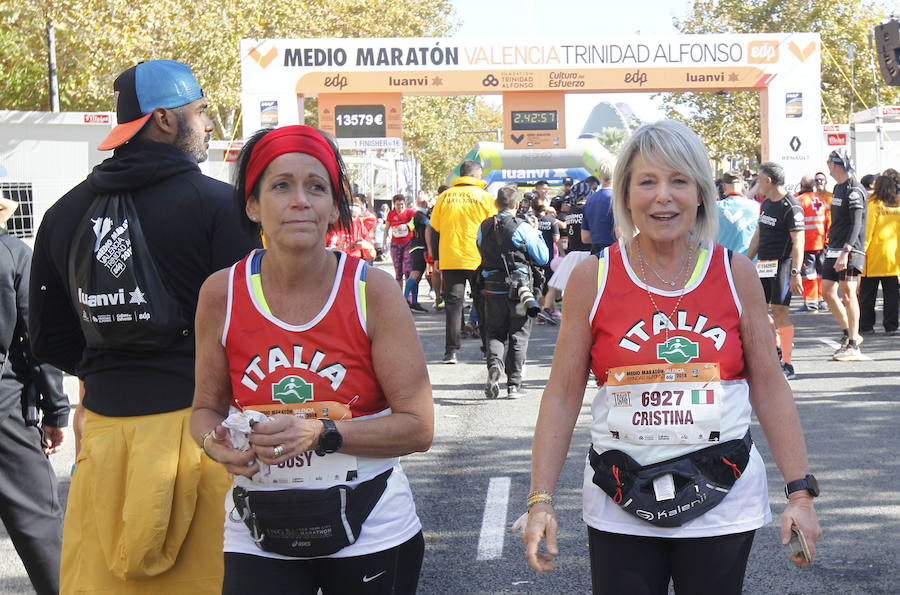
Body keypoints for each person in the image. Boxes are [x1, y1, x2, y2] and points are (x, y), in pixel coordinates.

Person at [520, 120, 821, 594]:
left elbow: (768, 385)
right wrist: (541, 500)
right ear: (625, 194)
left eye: (679, 180)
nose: (663, 196)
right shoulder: (591, 278)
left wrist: (800, 493)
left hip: (723, 494)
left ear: (701, 193)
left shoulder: (734, 272)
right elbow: (561, 394)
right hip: (619, 498)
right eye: (647, 181)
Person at [29, 59, 258, 593]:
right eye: (200, 113)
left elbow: (49, 339)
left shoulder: (63, 214)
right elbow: (255, 327)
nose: (206, 126)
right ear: (162, 120)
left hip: (105, 440)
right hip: (205, 436)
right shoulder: (221, 207)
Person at [190, 125, 433, 593]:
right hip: (257, 529)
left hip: (370, 525)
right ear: (252, 204)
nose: (300, 200)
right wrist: (211, 443)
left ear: (334, 206)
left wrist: (322, 433)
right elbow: (205, 407)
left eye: (316, 187)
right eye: (281, 185)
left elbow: (418, 427)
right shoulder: (222, 293)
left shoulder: (372, 291)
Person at [0, 208, 69, 595]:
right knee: (38, 528)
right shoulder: (12, 254)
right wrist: (57, 410)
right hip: (6, 412)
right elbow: (37, 340)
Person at [476, 185, 549, 399]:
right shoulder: (523, 227)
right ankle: (513, 385)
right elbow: (543, 257)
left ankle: (494, 366)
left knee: (494, 332)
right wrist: (535, 231)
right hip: (520, 291)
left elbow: (479, 248)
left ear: (495, 205)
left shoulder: (484, 227)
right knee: (519, 334)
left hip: (491, 288)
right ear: (516, 205)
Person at [429, 160, 496, 364]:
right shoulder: (484, 197)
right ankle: (487, 349)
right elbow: (493, 228)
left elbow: (434, 229)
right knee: (483, 304)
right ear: (476, 176)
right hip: (478, 259)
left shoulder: (445, 196)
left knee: (453, 306)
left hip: (451, 258)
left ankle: (451, 352)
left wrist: (436, 259)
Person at [747, 162, 804, 379]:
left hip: (783, 264)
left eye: (759, 179)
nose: (757, 183)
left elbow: (799, 242)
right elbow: (758, 235)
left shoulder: (791, 206)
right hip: (764, 264)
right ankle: (776, 350)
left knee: (780, 311)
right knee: (759, 311)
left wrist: (795, 272)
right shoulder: (766, 204)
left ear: (768, 180)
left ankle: (787, 362)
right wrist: (745, 261)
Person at [822, 150, 867, 361]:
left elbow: (857, 223)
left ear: (833, 165)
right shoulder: (837, 187)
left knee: (848, 294)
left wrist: (846, 251)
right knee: (827, 292)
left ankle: (853, 345)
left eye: (829, 164)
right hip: (834, 247)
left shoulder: (854, 189)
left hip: (850, 249)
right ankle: (850, 332)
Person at [859, 174, 900, 335]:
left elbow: (867, 233)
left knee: (868, 294)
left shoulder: (873, 206)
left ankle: (867, 325)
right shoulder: (897, 206)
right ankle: (891, 325)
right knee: (891, 295)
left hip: (874, 257)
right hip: (893, 259)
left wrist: (860, 252)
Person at [795, 175, 829, 312]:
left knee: (808, 274)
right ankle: (821, 299)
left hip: (806, 243)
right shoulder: (821, 200)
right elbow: (828, 221)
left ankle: (810, 302)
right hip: (821, 242)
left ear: (801, 185)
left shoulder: (800, 201)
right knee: (820, 273)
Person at [715, 170, 759, 255]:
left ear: (724, 187)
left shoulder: (715, 208)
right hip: (748, 262)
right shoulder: (756, 207)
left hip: (723, 261)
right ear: (742, 186)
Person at [582, 162, 617, 255]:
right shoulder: (619, 198)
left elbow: (585, 238)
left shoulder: (589, 200)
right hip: (616, 253)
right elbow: (622, 234)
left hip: (596, 254)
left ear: (599, 176)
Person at [406, 193, 430, 313]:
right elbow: (430, 224)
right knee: (416, 273)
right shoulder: (419, 214)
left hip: (420, 246)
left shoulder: (422, 213)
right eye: (425, 201)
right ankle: (404, 299)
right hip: (418, 247)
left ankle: (414, 302)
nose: (427, 203)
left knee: (418, 276)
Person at [384, 194, 415, 287]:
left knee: (408, 270)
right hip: (395, 244)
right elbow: (386, 228)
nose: (400, 207)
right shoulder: (391, 214)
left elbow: (414, 222)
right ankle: (400, 295)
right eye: (398, 205)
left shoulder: (409, 212)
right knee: (398, 271)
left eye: (402, 204)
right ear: (394, 204)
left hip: (408, 243)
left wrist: (407, 226)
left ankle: (408, 294)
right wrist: (384, 243)